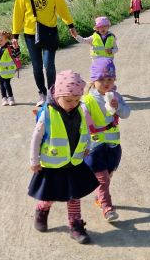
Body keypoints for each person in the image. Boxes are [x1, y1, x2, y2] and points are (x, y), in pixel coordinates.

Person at [28, 70, 98, 244]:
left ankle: (75, 225)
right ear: (57, 95)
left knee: (74, 196)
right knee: (50, 196)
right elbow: (35, 139)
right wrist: (34, 161)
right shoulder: (47, 114)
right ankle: (41, 210)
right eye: (68, 100)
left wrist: (87, 147)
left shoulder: (80, 110)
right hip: (53, 165)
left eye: (76, 100)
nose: (73, 104)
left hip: (74, 162)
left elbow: (85, 130)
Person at [12, 0, 77, 107]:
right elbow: (18, 15)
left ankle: (52, 92)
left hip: (48, 32)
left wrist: (70, 25)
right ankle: (41, 93)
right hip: (30, 34)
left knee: (49, 65)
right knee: (37, 66)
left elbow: (62, 8)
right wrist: (15, 35)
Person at [82, 57, 130, 222]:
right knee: (103, 179)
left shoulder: (116, 96)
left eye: (110, 79)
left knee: (108, 176)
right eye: (102, 79)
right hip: (95, 148)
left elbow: (126, 114)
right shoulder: (87, 101)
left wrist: (118, 107)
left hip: (112, 146)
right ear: (94, 80)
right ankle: (107, 208)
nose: (106, 83)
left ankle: (99, 198)